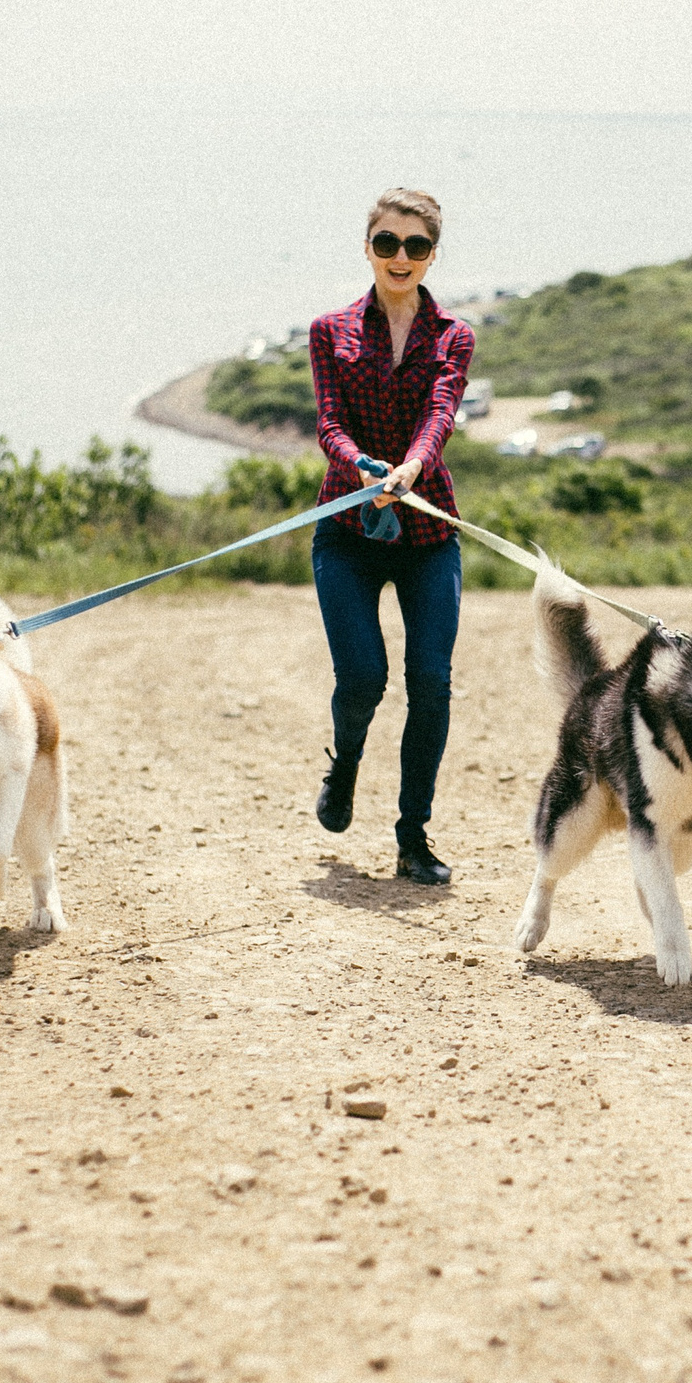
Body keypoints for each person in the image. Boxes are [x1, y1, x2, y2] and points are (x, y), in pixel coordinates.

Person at [306, 187, 473, 885]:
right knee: (364, 679)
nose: (399, 257)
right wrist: (362, 467)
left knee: (430, 683)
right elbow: (328, 424)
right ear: (367, 246)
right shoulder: (329, 330)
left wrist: (411, 465)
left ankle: (413, 836)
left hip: (428, 531)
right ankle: (344, 766)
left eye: (415, 246)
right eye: (386, 243)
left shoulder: (453, 336)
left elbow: (442, 411)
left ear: (432, 254)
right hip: (347, 529)